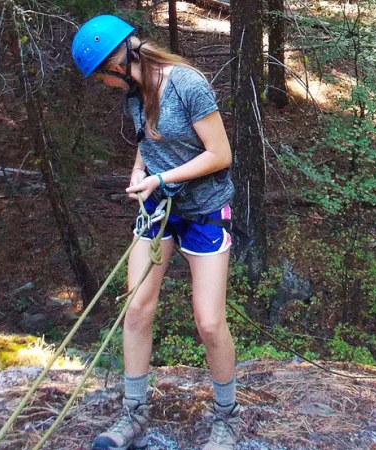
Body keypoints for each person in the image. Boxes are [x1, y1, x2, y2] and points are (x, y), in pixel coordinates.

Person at [71, 15, 241, 450]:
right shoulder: (134, 95)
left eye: (101, 78)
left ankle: (227, 418)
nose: (105, 85)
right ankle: (133, 413)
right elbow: (148, 150)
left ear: (117, 64)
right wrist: (139, 176)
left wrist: (163, 181)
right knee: (137, 309)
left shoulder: (187, 84)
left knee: (208, 321)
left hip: (203, 210)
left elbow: (220, 154)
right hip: (158, 209)